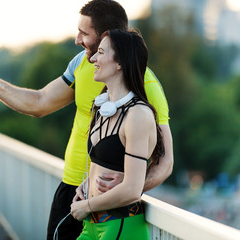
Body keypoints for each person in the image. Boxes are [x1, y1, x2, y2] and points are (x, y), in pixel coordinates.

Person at [0, 1, 173, 239]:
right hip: (73, 193)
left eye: (84, 33)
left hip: (110, 210)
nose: (76, 39)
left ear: (105, 36)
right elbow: (40, 102)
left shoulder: (147, 87)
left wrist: (125, 187)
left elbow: (165, 161)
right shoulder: (81, 64)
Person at [70, 29, 161, 240]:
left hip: (119, 226)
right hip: (91, 224)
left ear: (120, 62)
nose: (93, 58)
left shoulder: (138, 115)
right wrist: (86, 186)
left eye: (100, 52)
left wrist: (88, 204)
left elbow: (131, 189)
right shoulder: (104, 107)